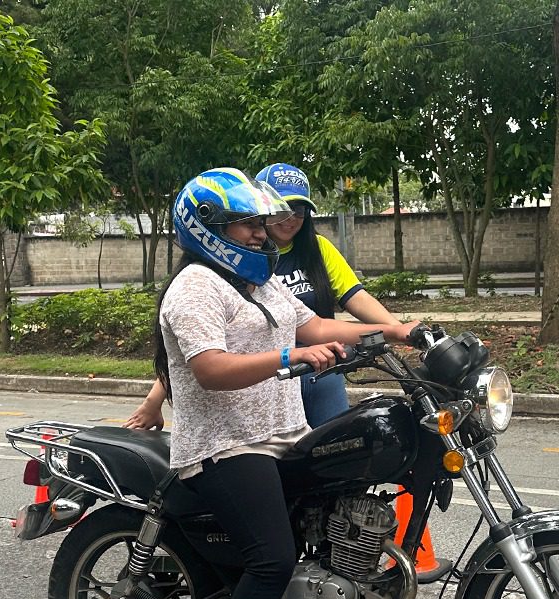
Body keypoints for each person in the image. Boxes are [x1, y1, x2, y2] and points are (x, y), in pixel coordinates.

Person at [156, 167, 417, 599]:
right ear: (208, 229)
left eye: (258, 223)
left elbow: (316, 325)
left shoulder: (261, 282)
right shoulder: (194, 288)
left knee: (337, 507)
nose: (260, 233)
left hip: (285, 438)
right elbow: (210, 368)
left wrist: (397, 331)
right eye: (245, 225)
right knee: (272, 559)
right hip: (224, 445)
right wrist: (288, 357)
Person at [123, 162, 403, 430]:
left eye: (299, 210)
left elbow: (339, 312)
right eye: (280, 211)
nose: (290, 218)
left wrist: (397, 331)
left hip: (317, 370)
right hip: (256, 384)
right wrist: (153, 401)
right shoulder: (207, 278)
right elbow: (195, 351)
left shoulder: (289, 263)